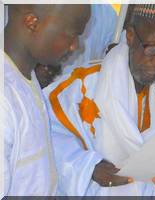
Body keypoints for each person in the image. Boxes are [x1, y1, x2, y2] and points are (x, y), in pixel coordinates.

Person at [43, 4, 155, 196]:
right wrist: (90, 167)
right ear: (130, 36)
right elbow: (41, 131)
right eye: (151, 49)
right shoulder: (82, 83)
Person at [1, 4, 90, 196]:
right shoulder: (4, 97)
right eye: (72, 33)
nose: (76, 46)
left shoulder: (24, 76)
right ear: (32, 22)